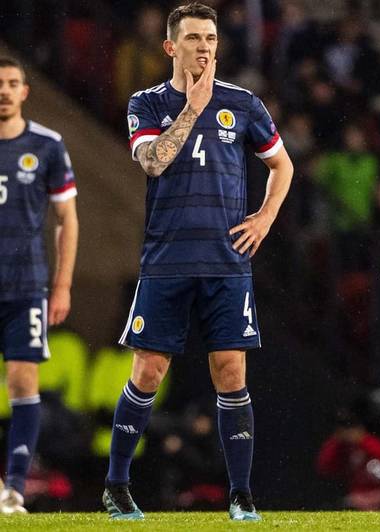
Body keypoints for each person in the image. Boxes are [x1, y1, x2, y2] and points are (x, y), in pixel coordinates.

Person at [103, 3, 293, 522]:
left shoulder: (243, 103)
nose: (204, 47)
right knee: (149, 371)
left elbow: (282, 165)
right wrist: (192, 109)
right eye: (192, 38)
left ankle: (241, 495)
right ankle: (116, 486)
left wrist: (264, 218)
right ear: (171, 47)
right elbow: (152, 162)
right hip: (167, 259)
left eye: (210, 38)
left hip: (226, 262)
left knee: (231, 371)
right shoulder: (146, 103)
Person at [0, 57, 79, 514]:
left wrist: (62, 285)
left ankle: (14, 488)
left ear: (25, 91)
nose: (5, 91)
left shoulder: (47, 145)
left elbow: (67, 218)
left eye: (13, 83)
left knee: (22, 379)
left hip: (26, 285)